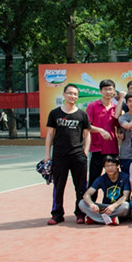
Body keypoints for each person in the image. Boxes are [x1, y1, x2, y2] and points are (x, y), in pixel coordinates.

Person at [44, 84, 91, 225]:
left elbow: (87, 135)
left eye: (75, 94)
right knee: (58, 186)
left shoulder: (82, 114)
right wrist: (47, 154)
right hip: (60, 156)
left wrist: (85, 153)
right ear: (64, 95)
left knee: (81, 187)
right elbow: (50, 134)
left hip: (78, 156)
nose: (73, 96)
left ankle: (80, 213)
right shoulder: (54, 113)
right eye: (70, 93)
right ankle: (57, 214)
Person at [86, 79, 119, 200]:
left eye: (110, 89)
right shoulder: (92, 106)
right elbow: (87, 126)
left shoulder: (116, 107)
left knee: (113, 179)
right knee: (94, 178)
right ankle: (90, 205)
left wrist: (120, 132)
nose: (108, 92)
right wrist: (101, 130)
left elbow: (119, 125)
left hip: (112, 149)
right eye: (105, 89)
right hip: (97, 148)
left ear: (114, 91)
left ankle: (111, 205)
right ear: (100, 91)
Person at [78, 155, 130, 225]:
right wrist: (91, 204)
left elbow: (125, 196)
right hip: (105, 207)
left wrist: (113, 206)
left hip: (117, 206)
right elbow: (86, 194)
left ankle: (96, 219)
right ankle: (110, 220)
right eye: (107, 166)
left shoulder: (125, 177)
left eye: (112, 165)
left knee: (126, 206)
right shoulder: (101, 179)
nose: (110, 168)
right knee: (82, 203)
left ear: (117, 166)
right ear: (104, 167)